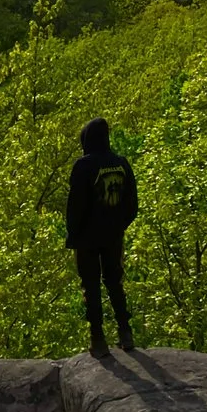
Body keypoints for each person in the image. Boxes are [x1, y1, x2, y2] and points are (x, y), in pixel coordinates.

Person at [64, 117, 138, 356]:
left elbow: (75, 205)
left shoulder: (83, 166)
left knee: (91, 286)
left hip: (87, 238)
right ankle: (125, 333)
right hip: (113, 235)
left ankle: (98, 339)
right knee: (115, 282)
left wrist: (73, 234)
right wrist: (119, 225)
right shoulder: (121, 164)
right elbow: (132, 204)